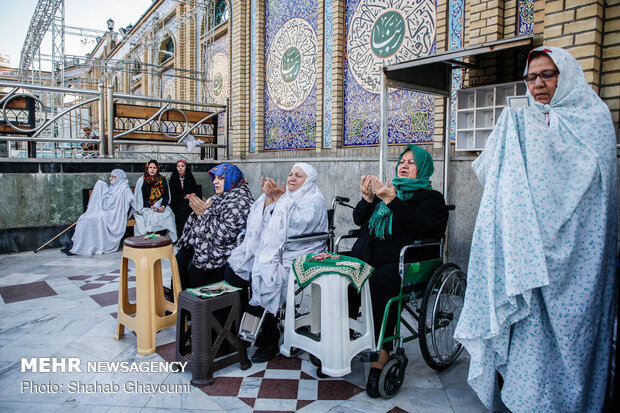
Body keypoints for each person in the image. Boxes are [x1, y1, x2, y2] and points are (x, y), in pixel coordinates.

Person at [454, 46, 617, 412]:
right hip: (530, 260)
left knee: (575, 343)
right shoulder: (522, 121)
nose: (538, 84)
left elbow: (595, 190)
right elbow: (497, 175)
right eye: (531, 77)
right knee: (530, 341)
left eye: (547, 74)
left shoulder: (594, 119)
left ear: (567, 76)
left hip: (579, 263)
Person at [349, 145, 448, 398]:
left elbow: (423, 223)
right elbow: (359, 221)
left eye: (411, 163)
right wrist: (368, 199)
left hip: (406, 264)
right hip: (370, 256)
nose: (403, 165)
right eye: (402, 161)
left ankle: (383, 352)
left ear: (423, 169)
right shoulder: (387, 194)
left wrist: (393, 201)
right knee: (341, 271)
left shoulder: (432, 199)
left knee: (381, 278)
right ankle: (344, 335)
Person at [225, 163, 328, 363]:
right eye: (290, 174)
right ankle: (237, 329)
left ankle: (268, 340)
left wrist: (279, 200)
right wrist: (269, 200)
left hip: (300, 252)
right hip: (275, 249)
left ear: (309, 180)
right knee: (235, 271)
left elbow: (296, 228)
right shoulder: (288, 196)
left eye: (298, 176)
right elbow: (264, 221)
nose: (292, 178)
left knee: (265, 276)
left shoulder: (314, 199)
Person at [175, 163, 254, 289]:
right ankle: (182, 301)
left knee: (194, 267)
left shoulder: (241, 201)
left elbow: (226, 235)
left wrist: (205, 213)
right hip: (210, 243)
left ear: (232, 179)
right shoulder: (218, 197)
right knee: (180, 258)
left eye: (221, 178)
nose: (215, 182)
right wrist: (197, 214)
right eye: (215, 178)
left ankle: (203, 305)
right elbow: (200, 221)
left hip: (225, 249)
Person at [64, 169, 134, 255]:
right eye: (110, 176)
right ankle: (78, 245)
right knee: (85, 218)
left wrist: (129, 215)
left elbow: (133, 202)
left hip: (114, 216)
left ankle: (86, 246)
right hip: (106, 212)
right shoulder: (112, 188)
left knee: (94, 219)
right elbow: (106, 202)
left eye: (113, 177)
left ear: (119, 178)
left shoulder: (124, 188)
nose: (110, 179)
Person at [133, 159, 178, 242]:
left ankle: (167, 239)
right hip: (146, 206)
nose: (152, 169)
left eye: (154, 168)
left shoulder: (162, 180)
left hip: (160, 204)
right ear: (147, 169)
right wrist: (150, 206)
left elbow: (166, 196)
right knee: (150, 217)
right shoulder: (142, 181)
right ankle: (149, 239)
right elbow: (140, 199)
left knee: (169, 216)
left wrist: (163, 206)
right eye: (150, 167)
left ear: (158, 169)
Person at [169, 159, 199, 236]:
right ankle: (181, 234)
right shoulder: (173, 179)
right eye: (178, 166)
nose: (180, 168)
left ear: (186, 167)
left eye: (182, 166)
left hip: (189, 203)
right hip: (177, 204)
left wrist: (193, 194)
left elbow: (195, 189)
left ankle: (191, 234)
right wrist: (184, 196)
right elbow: (172, 195)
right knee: (183, 210)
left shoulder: (189, 177)